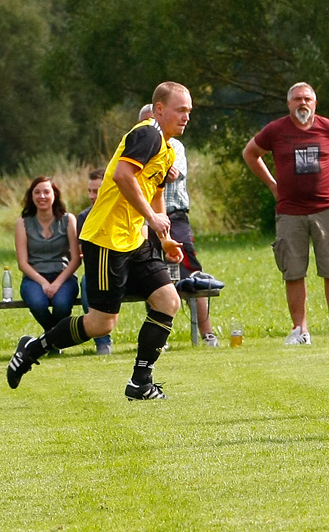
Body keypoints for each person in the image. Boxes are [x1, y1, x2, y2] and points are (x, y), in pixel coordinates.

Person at [7, 81, 193, 400]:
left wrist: (164, 239)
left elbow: (157, 192)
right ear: (159, 109)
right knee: (101, 324)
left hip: (136, 241)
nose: (187, 116)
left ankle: (140, 382)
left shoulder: (165, 147)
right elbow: (122, 175)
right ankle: (33, 348)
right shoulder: (147, 133)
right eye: (181, 109)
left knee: (168, 301)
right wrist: (151, 219)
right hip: (107, 240)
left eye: (190, 111)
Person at [243, 82, 329, 346]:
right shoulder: (276, 130)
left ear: (315, 104)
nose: (302, 103)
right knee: (293, 272)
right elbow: (251, 153)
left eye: (307, 98)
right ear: (288, 104)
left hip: (326, 210)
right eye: (297, 99)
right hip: (290, 212)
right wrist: (273, 185)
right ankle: (300, 331)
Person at [139, 104, 220, 346]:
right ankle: (158, 337)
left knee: (190, 270)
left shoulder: (175, 145)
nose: (150, 128)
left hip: (175, 217)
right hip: (146, 219)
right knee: (152, 273)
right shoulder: (135, 149)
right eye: (145, 123)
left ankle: (206, 333)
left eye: (153, 121)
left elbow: (172, 174)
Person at [14, 177, 81, 339]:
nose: (42, 196)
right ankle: (54, 338)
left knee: (62, 304)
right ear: (31, 196)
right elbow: (22, 263)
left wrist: (57, 283)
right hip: (35, 279)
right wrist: (44, 283)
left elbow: (76, 258)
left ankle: (50, 340)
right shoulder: (22, 222)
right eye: (37, 192)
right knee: (37, 303)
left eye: (46, 192)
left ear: (54, 195)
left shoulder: (68, 219)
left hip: (63, 276)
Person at [77, 168, 114, 355]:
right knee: (86, 283)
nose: (92, 196)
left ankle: (154, 340)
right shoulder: (83, 218)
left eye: (96, 191)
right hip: (99, 271)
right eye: (89, 191)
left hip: (128, 271)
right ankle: (102, 342)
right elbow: (82, 253)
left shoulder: (124, 211)